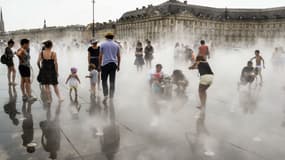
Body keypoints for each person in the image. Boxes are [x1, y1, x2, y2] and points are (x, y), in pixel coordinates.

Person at [99, 32, 121, 103]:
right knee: (112, 81)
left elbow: (100, 56)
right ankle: (111, 96)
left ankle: (105, 95)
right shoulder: (116, 45)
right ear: (112, 37)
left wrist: (99, 65)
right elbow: (118, 56)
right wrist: (118, 65)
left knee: (104, 80)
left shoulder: (102, 44)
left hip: (105, 64)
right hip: (113, 64)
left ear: (106, 37)